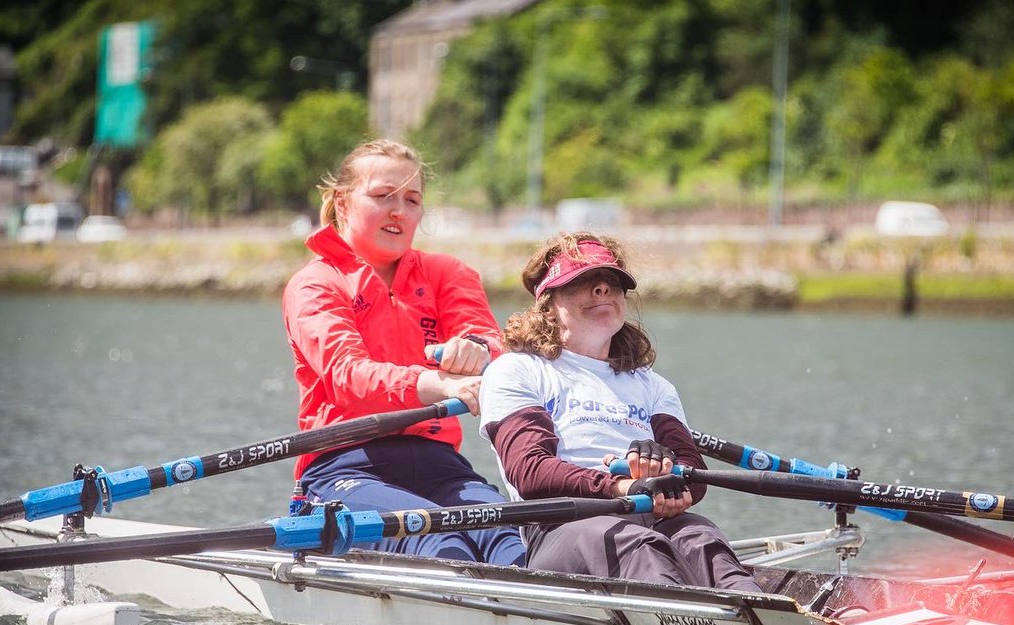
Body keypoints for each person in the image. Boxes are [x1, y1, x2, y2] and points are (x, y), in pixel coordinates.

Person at [282, 139, 525, 567]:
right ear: (342, 202)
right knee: (435, 540)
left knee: (511, 538)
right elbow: (347, 376)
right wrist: (434, 383)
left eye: (411, 200)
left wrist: (477, 351)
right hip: (343, 466)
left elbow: (491, 343)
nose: (399, 210)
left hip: (440, 464)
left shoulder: (447, 273)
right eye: (382, 197)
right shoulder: (315, 284)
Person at [478, 232, 761, 592]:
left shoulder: (652, 385)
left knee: (701, 536)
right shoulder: (518, 370)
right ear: (548, 304)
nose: (602, 290)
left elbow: (693, 471)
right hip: (562, 526)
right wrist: (622, 486)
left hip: (649, 520)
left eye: (612, 283)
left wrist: (669, 472)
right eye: (583, 281)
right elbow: (530, 471)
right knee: (634, 542)